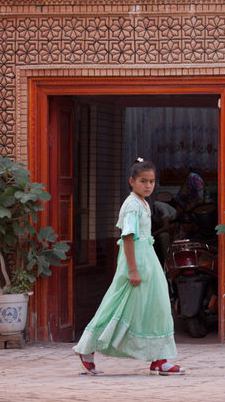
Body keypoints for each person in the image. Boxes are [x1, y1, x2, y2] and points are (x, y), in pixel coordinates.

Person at [73, 157, 185, 375]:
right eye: (143, 181)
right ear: (131, 181)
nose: (148, 185)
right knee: (118, 303)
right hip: (136, 262)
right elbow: (127, 238)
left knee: (157, 306)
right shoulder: (132, 205)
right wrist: (133, 270)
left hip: (147, 259)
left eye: (151, 181)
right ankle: (86, 347)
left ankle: (159, 359)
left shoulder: (143, 202)